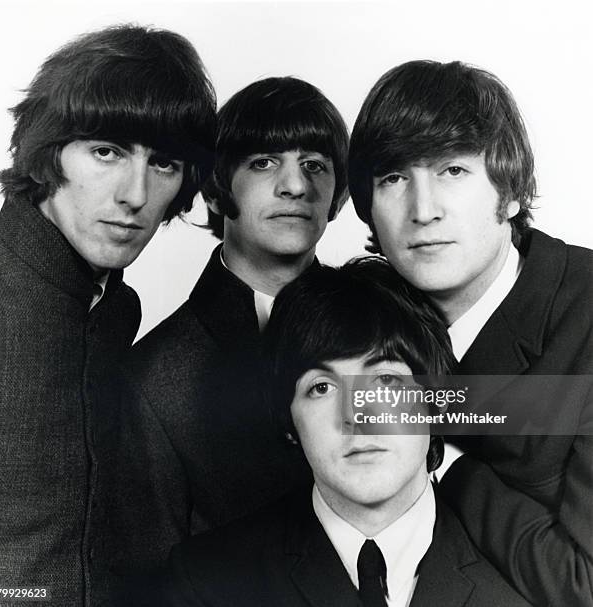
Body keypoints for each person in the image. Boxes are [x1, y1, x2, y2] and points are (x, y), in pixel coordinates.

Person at [0, 24, 216, 607]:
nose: (134, 194)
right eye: (106, 151)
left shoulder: (117, 309)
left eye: (163, 164)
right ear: (46, 151)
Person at [349, 59, 593, 605]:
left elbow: (584, 584)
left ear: (508, 192)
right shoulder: (361, 317)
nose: (423, 210)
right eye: (394, 178)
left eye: (452, 171)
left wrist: (449, 463)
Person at [161, 258, 531, 607]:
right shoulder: (205, 584)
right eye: (322, 387)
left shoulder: (527, 584)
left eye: (386, 380)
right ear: (289, 421)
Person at [107, 76, 350, 579]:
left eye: (315, 165)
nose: (296, 185)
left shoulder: (385, 322)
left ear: (339, 196)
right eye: (263, 163)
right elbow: (150, 577)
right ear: (215, 192)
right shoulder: (151, 376)